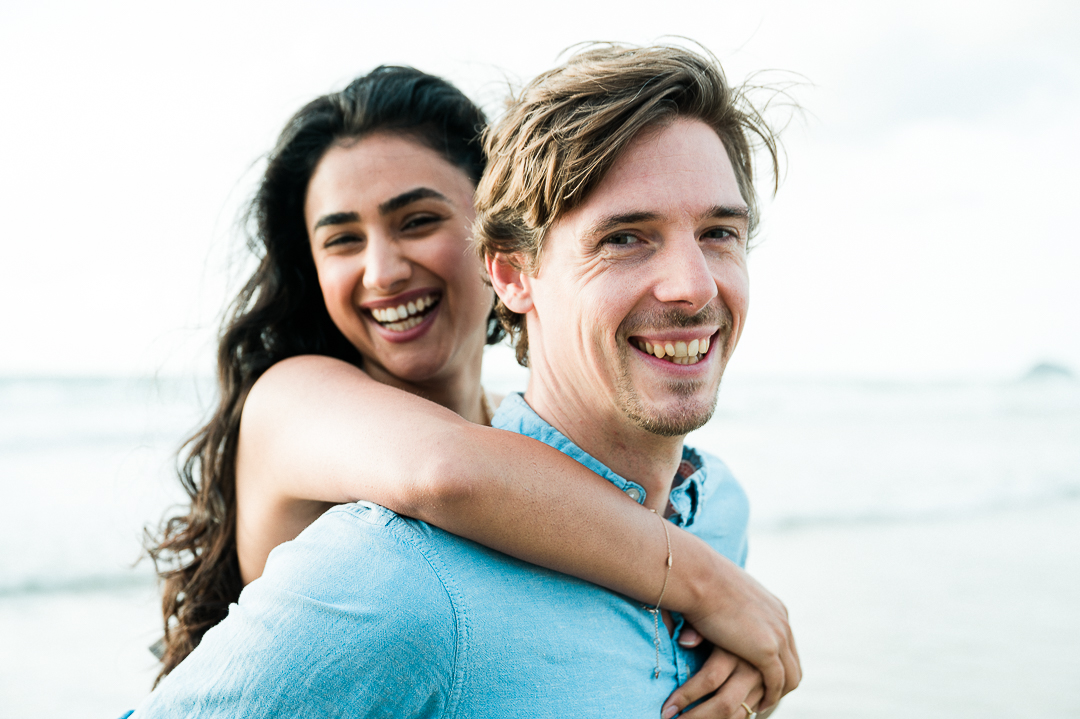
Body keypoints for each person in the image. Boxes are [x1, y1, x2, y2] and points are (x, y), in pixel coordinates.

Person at [137, 50, 796, 718]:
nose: (385, 269)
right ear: (512, 267)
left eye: (418, 220)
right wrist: (714, 586)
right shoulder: (301, 409)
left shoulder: (705, 501)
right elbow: (445, 470)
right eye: (624, 236)